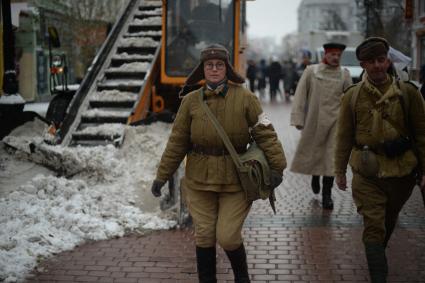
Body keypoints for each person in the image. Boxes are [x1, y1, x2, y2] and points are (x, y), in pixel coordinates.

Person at [150, 44, 287, 283]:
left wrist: (277, 167)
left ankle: (242, 278)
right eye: (209, 65)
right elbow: (177, 142)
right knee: (203, 235)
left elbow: (266, 133)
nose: (214, 69)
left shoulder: (246, 98)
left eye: (219, 65)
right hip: (199, 180)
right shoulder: (191, 102)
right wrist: (162, 176)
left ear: (227, 69)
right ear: (203, 70)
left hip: (235, 180)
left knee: (228, 236)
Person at [334, 37, 425, 282]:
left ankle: (377, 254)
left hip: (401, 172)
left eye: (381, 60)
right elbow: (343, 136)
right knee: (373, 224)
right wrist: (339, 171)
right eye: (371, 62)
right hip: (367, 171)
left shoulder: (408, 93)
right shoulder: (352, 96)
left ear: (387, 60)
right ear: (363, 64)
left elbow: (421, 134)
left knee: (388, 220)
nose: (377, 66)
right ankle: (378, 276)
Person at [290, 42, 352, 209]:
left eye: (338, 55)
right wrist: (298, 118)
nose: (335, 58)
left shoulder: (344, 74)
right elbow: (300, 95)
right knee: (316, 153)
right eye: (332, 54)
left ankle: (327, 195)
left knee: (331, 158)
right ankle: (315, 175)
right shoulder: (312, 71)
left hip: (336, 123)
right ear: (325, 54)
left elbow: (350, 99)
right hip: (314, 120)